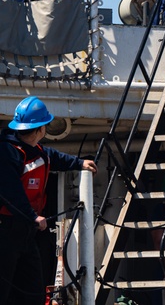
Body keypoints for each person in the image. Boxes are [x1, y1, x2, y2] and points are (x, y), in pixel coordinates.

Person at [0, 97, 97, 305]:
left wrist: (80, 163)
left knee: (33, 291)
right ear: (41, 129)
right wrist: (33, 217)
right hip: (6, 231)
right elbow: (10, 192)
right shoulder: (8, 152)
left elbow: (54, 157)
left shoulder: (37, 151)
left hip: (25, 233)